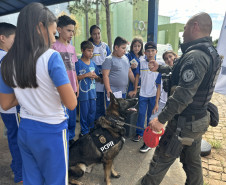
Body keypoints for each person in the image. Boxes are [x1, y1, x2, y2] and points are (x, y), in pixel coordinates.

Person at [137, 12, 222, 185]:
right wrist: (160, 69)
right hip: (196, 121)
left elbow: (183, 95)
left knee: (159, 162)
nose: (183, 33)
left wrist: (161, 120)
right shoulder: (208, 52)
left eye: (185, 28)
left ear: (195, 26)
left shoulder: (196, 56)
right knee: (192, 164)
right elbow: (181, 74)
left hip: (183, 124)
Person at [0, 3, 77, 185]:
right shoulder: (51, 57)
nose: (53, 38)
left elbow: (5, 104)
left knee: (32, 181)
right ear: (39, 27)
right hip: (52, 131)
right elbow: (71, 103)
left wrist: (27, 91)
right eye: (52, 32)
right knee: (56, 181)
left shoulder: (8, 62)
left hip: (26, 129)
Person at [0, 22, 23, 184]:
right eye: (14, 39)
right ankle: (20, 175)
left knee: (13, 136)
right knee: (17, 139)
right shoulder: (6, 59)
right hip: (11, 107)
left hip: (5, 106)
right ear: (2, 38)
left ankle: (17, 167)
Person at [130, 42, 161, 153]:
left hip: (153, 96)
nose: (150, 53)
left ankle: (149, 138)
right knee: (141, 114)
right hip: (143, 94)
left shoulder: (159, 65)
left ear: (156, 52)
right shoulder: (141, 62)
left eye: (153, 50)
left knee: (151, 118)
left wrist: (157, 102)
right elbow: (137, 76)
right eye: (148, 51)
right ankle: (139, 134)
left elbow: (159, 86)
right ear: (144, 52)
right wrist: (135, 89)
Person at [52, 15, 79, 145]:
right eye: (69, 30)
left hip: (72, 88)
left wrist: (77, 86)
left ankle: (71, 139)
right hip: (60, 90)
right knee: (63, 116)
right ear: (59, 29)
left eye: (73, 31)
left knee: (72, 117)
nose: (71, 34)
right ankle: (63, 140)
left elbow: (73, 69)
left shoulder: (72, 48)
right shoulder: (53, 47)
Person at [102, 36, 135, 106]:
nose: (125, 51)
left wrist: (135, 83)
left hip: (123, 92)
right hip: (112, 93)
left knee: (121, 113)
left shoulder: (126, 58)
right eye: (123, 48)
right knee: (112, 113)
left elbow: (130, 72)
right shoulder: (109, 59)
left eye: (125, 48)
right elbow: (105, 75)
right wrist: (108, 90)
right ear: (116, 47)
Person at [76, 41, 100, 135]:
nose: (91, 53)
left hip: (92, 94)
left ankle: (91, 129)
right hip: (83, 95)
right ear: (82, 50)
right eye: (89, 51)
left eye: (92, 51)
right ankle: (84, 131)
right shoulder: (78, 63)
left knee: (92, 112)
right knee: (84, 113)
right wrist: (86, 75)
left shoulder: (93, 64)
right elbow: (75, 78)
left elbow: (97, 76)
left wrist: (95, 77)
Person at [88, 25, 111, 120]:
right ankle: (96, 121)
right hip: (94, 76)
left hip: (105, 75)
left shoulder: (105, 46)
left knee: (106, 99)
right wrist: (97, 76)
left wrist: (105, 76)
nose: (97, 36)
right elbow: (87, 62)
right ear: (91, 35)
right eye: (94, 34)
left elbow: (110, 60)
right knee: (97, 100)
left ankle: (104, 120)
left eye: (98, 33)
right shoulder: (89, 46)